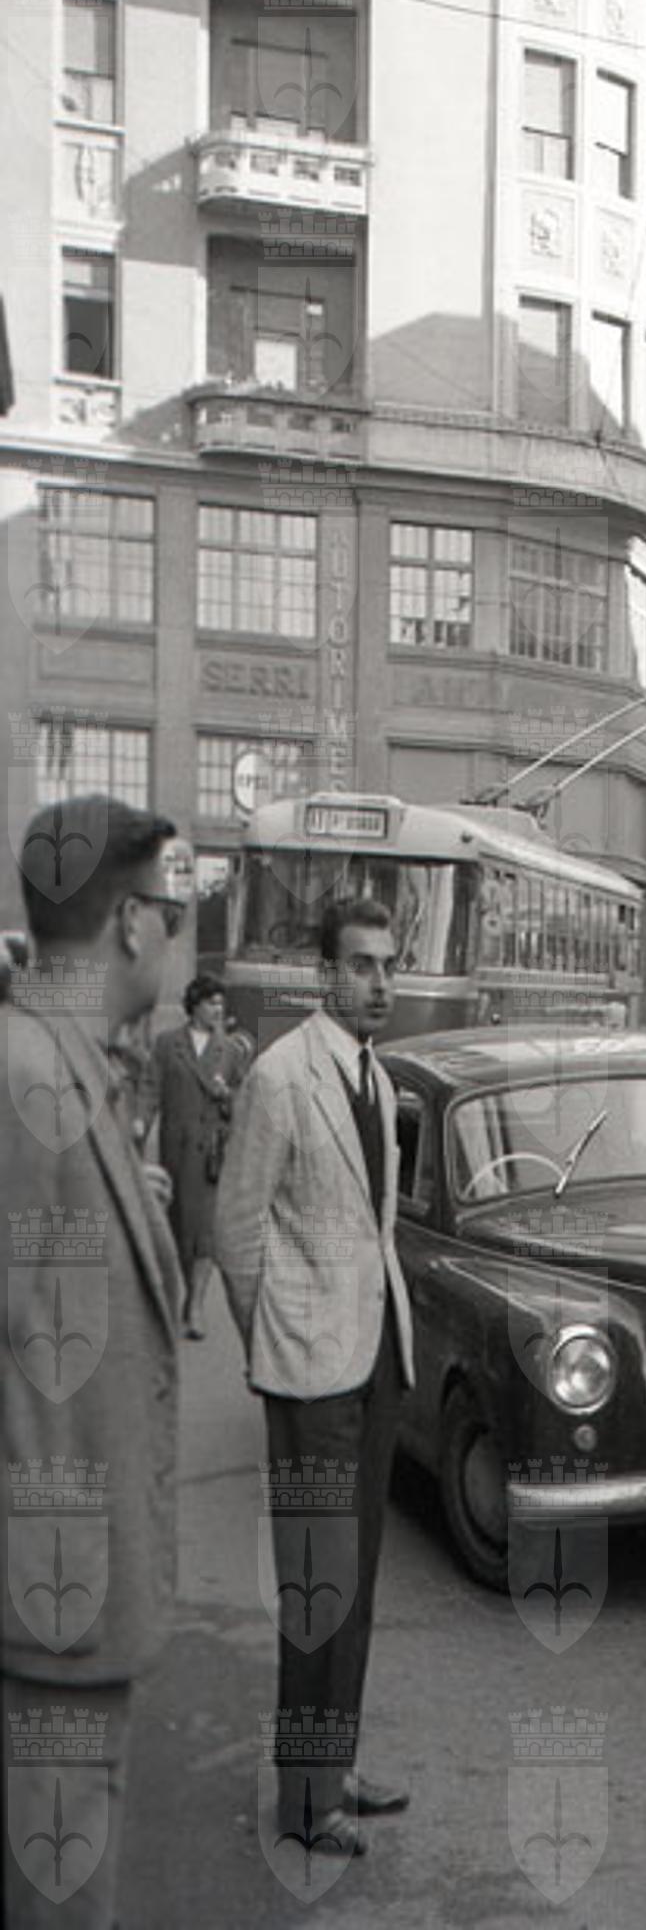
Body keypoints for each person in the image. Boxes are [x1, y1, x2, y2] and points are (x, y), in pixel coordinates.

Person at [3, 797, 191, 1930]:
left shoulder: (67, 1068)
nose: (172, 937)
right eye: (173, 914)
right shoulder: (26, 1077)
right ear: (129, 922)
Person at [216, 895, 417, 1854]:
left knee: (358, 1583)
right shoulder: (279, 1075)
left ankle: (331, 1770)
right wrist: (277, 1342)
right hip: (310, 1374)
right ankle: (303, 1806)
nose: (380, 983)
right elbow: (236, 1230)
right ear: (324, 975)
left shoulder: (374, 1075)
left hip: (375, 1360)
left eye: (389, 965)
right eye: (362, 965)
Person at [148, 973, 248, 1340]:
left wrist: (227, 1097)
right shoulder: (167, 1044)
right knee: (178, 1228)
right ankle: (185, 1291)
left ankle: (195, 1306)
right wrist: (139, 1123)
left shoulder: (231, 1051)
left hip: (211, 1156)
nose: (218, 1010)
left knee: (205, 1233)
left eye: (222, 1003)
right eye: (211, 1003)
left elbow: (245, 1104)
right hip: (175, 1151)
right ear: (194, 1006)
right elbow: (150, 1088)